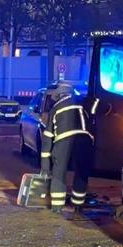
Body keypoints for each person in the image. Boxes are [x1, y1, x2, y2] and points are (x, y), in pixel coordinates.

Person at [40, 82, 93, 214]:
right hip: (84, 139)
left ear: (59, 95)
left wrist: (45, 166)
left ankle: (57, 206)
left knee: (59, 171)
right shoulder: (82, 101)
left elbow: (47, 137)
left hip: (64, 141)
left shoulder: (55, 108)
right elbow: (100, 107)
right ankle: (78, 204)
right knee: (81, 172)